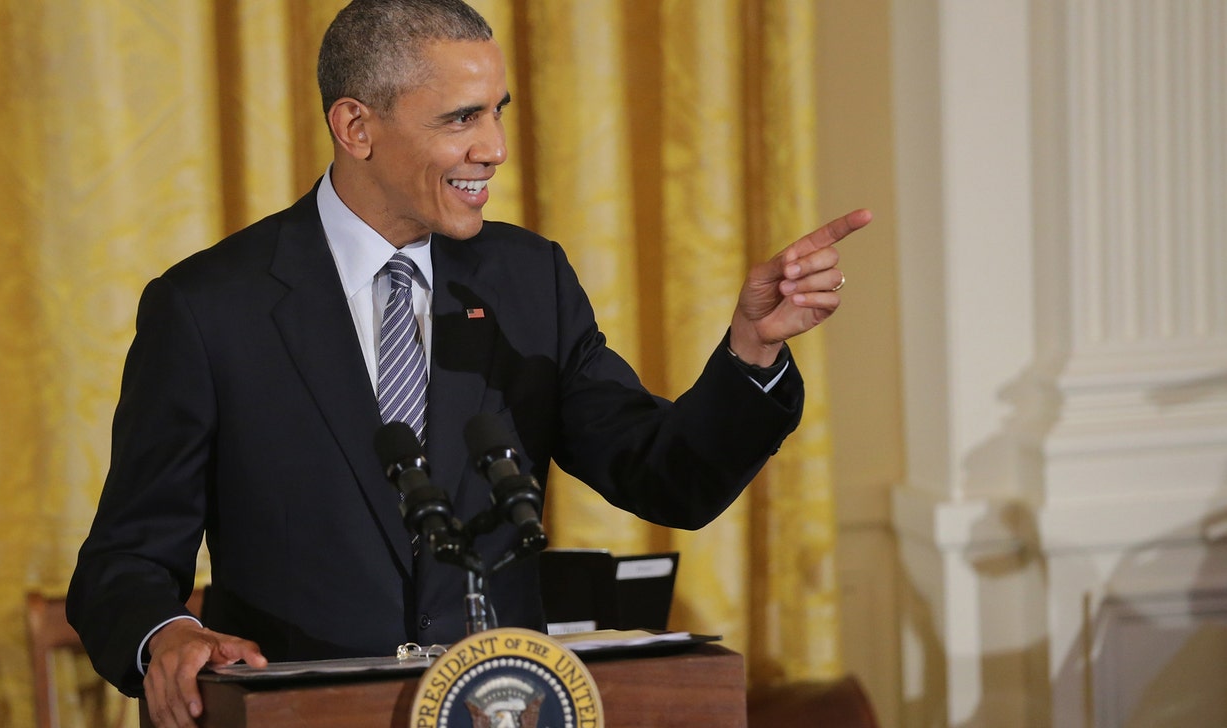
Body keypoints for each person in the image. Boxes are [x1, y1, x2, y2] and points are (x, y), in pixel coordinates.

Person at [67, 0, 871, 726]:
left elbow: (661, 476)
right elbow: (125, 560)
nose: (494, 149)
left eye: (498, 113)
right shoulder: (210, 307)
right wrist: (167, 633)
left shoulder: (529, 280)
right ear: (357, 127)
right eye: (461, 119)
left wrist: (753, 350)